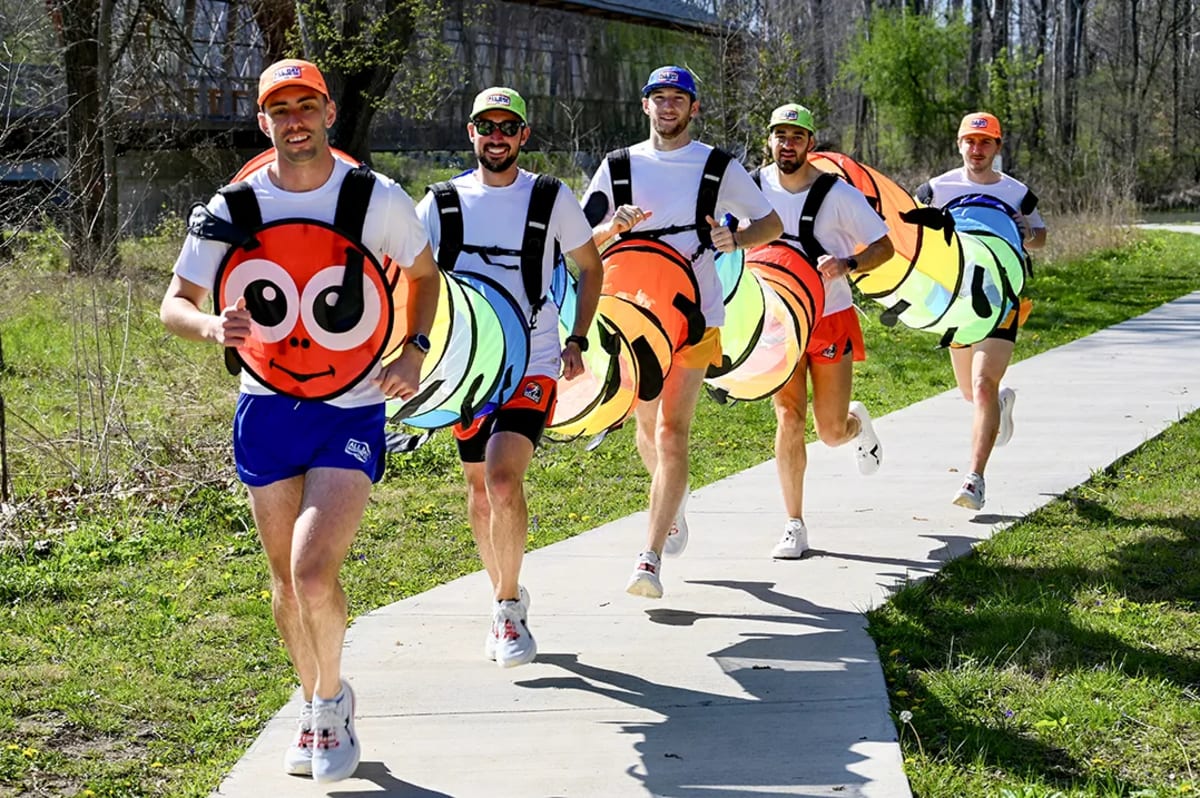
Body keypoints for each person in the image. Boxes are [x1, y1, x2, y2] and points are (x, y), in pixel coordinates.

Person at [160, 58, 439, 783]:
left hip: (350, 406)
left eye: (306, 105)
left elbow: (423, 276)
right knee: (285, 581)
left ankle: (331, 699)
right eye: (280, 109)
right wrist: (210, 327)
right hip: (266, 408)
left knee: (313, 573)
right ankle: (315, 703)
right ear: (263, 122)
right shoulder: (233, 207)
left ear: (328, 113)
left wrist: (412, 351)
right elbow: (174, 304)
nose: (295, 120)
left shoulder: (374, 198)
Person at [415, 87, 603, 666]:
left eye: (508, 127)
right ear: (471, 132)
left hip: (534, 361)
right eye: (487, 126)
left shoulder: (550, 196)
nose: (497, 137)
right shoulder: (440, 203)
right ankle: (505, 589)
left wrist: (576, 338)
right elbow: (408, 276)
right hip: (466, 372)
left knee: (501, 480)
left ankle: (506, 607)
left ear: (524, 134)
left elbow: (590, 266)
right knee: (478, 489)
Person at [582, 65, 783, 598]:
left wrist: (736, 240)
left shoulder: (717, 166)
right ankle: (672, 498)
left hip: (696, 315)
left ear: (694, 108)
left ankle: (647, 558)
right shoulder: (617, 166)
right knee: (647, 428)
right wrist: (610, 228)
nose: (668, 106)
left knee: (673, 431)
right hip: (634, 317)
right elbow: (580, 240)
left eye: (678, 98)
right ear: (644, 105)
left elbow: (771, 224)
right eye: (659, 97)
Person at [751, 103, 894, 559]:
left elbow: (884, 246)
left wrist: (847, 263)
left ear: (811, 144)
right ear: (769, 140)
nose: (787, 144)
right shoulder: (752, 188)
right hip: (777, 319)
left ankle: (858, 423)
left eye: (797, 136)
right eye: (780, 135)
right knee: (789, 418)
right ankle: (794, 524)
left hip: (829, 316)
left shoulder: (838, 194)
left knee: (831, 432)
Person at [917, 111, 1047, 510]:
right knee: (969, 392)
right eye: (970, 142)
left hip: (1001, 296)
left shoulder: (1016, 192)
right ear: (959, 144)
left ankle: (974, 479)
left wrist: (1027, 235)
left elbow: (1040, 237)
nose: (977, 149)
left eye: (985, 142)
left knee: (982, 384)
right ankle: (1000, 406)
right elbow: (913, 235)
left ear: (997, 147)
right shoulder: (935, 189)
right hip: (956, 302)